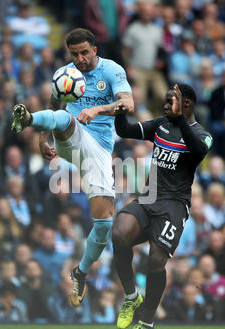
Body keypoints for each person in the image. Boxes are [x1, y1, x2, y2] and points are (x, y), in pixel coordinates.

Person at [11, 28, 134, 307]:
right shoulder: (65, 74)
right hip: (70, 139)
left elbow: (129, 103)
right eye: (74, 54)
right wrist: (42, 138)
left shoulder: (111, 71)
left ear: (94, 51)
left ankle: (80, 272)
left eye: (83, 53)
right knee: (66, 120)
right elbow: (55, 106)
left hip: (100, 151)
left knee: (103, 226)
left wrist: (98, 110)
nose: (78, 59)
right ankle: (27, 118)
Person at [111, 84, 213, 329]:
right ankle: (131, 296)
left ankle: (146, 323)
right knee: (119, 232)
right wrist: (121, 111)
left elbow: (198, 151)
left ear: (186, 104)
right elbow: (123, 130)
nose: (165, 106)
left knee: (156, 261)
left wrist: (179, 119)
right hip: (149, 197)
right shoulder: (160, 125)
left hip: (174, 205)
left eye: (170, 102)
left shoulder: (202, 134)